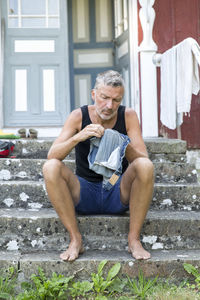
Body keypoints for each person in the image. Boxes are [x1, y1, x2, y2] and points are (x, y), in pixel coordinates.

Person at [43, 70, 154, 262]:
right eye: (104, 98)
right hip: (84, 191)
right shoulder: (78, 115)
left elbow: (142, 158)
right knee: (50, 167)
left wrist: (122, 143)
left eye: (116, 100)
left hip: (117, 189)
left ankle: (134, 239)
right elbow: (52, 154)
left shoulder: (128, 115)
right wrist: (79, 136)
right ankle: (75, 239)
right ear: (94, 94)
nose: (109, 106)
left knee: (145, 166)